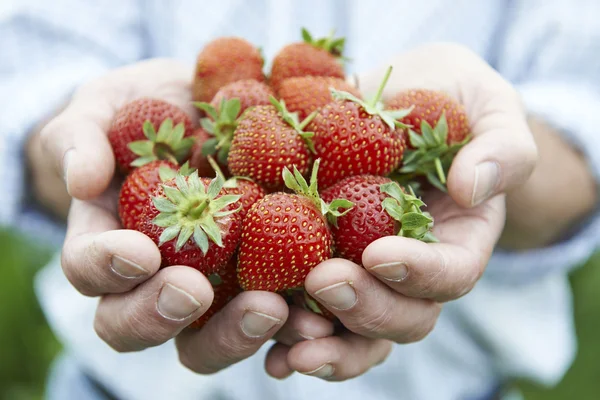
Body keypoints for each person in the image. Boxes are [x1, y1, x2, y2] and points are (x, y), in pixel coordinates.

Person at [2, 0, 600, 399]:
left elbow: (586, 126)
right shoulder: (254, 155)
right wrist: (85, 150)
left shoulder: (325, 167)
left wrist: (479, 159)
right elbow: (27, 76)